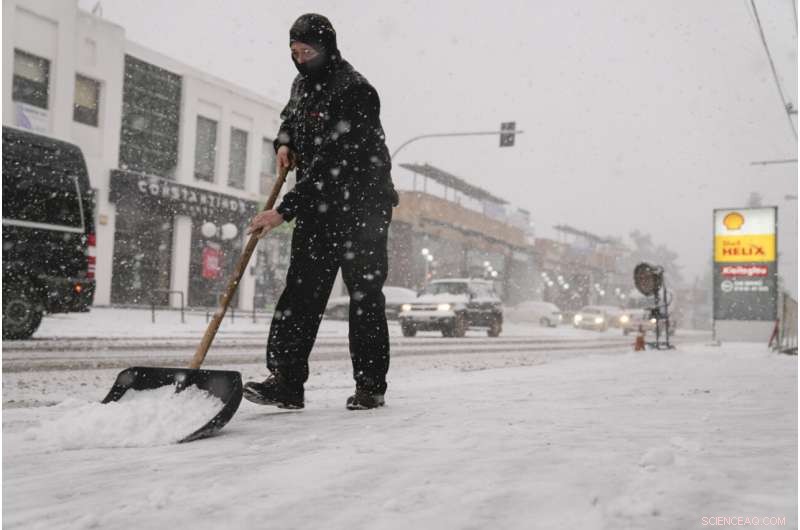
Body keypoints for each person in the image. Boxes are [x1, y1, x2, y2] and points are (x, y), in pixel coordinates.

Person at [244, 13, 398, 411]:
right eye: (294, 52)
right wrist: (283, 142)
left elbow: (336, 165)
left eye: (306, 51)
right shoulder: (302, 83)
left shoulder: (355, 91)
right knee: (301, 290)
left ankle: (370, 386)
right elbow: (290, 118)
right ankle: (286, 382)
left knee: (364, 296)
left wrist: (283, 211)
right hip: (320, 203)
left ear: (327, 48)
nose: (299, 59)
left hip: (363, 205)